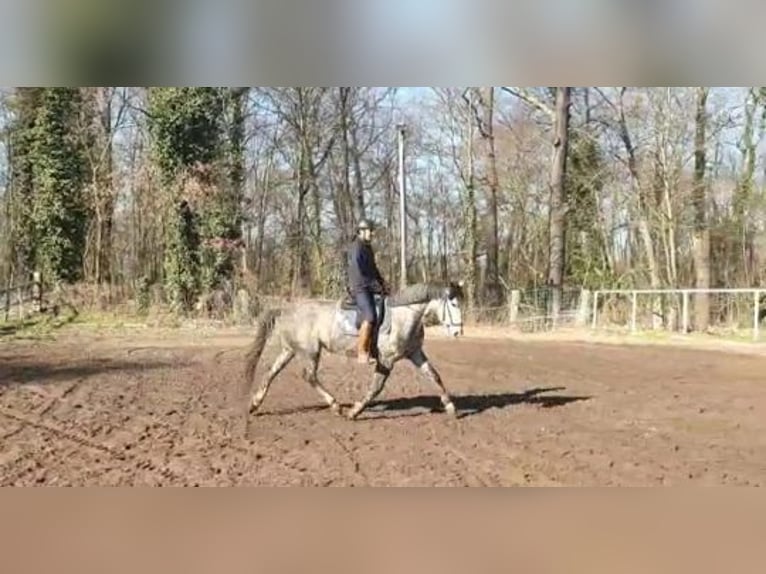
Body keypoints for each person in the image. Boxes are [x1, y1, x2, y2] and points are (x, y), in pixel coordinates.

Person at [347, 218, 389, 364]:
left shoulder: (367, 247)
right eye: (370, 230)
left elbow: (373, 269)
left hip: (368, 286)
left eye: (372, 231)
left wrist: (383, 283)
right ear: (361, 231)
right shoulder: (356, 248)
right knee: (370, 317)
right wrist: (375, 285)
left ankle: (374, 347)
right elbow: (360, 272)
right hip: (359, 287)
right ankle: (361, 352)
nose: (372, 233)